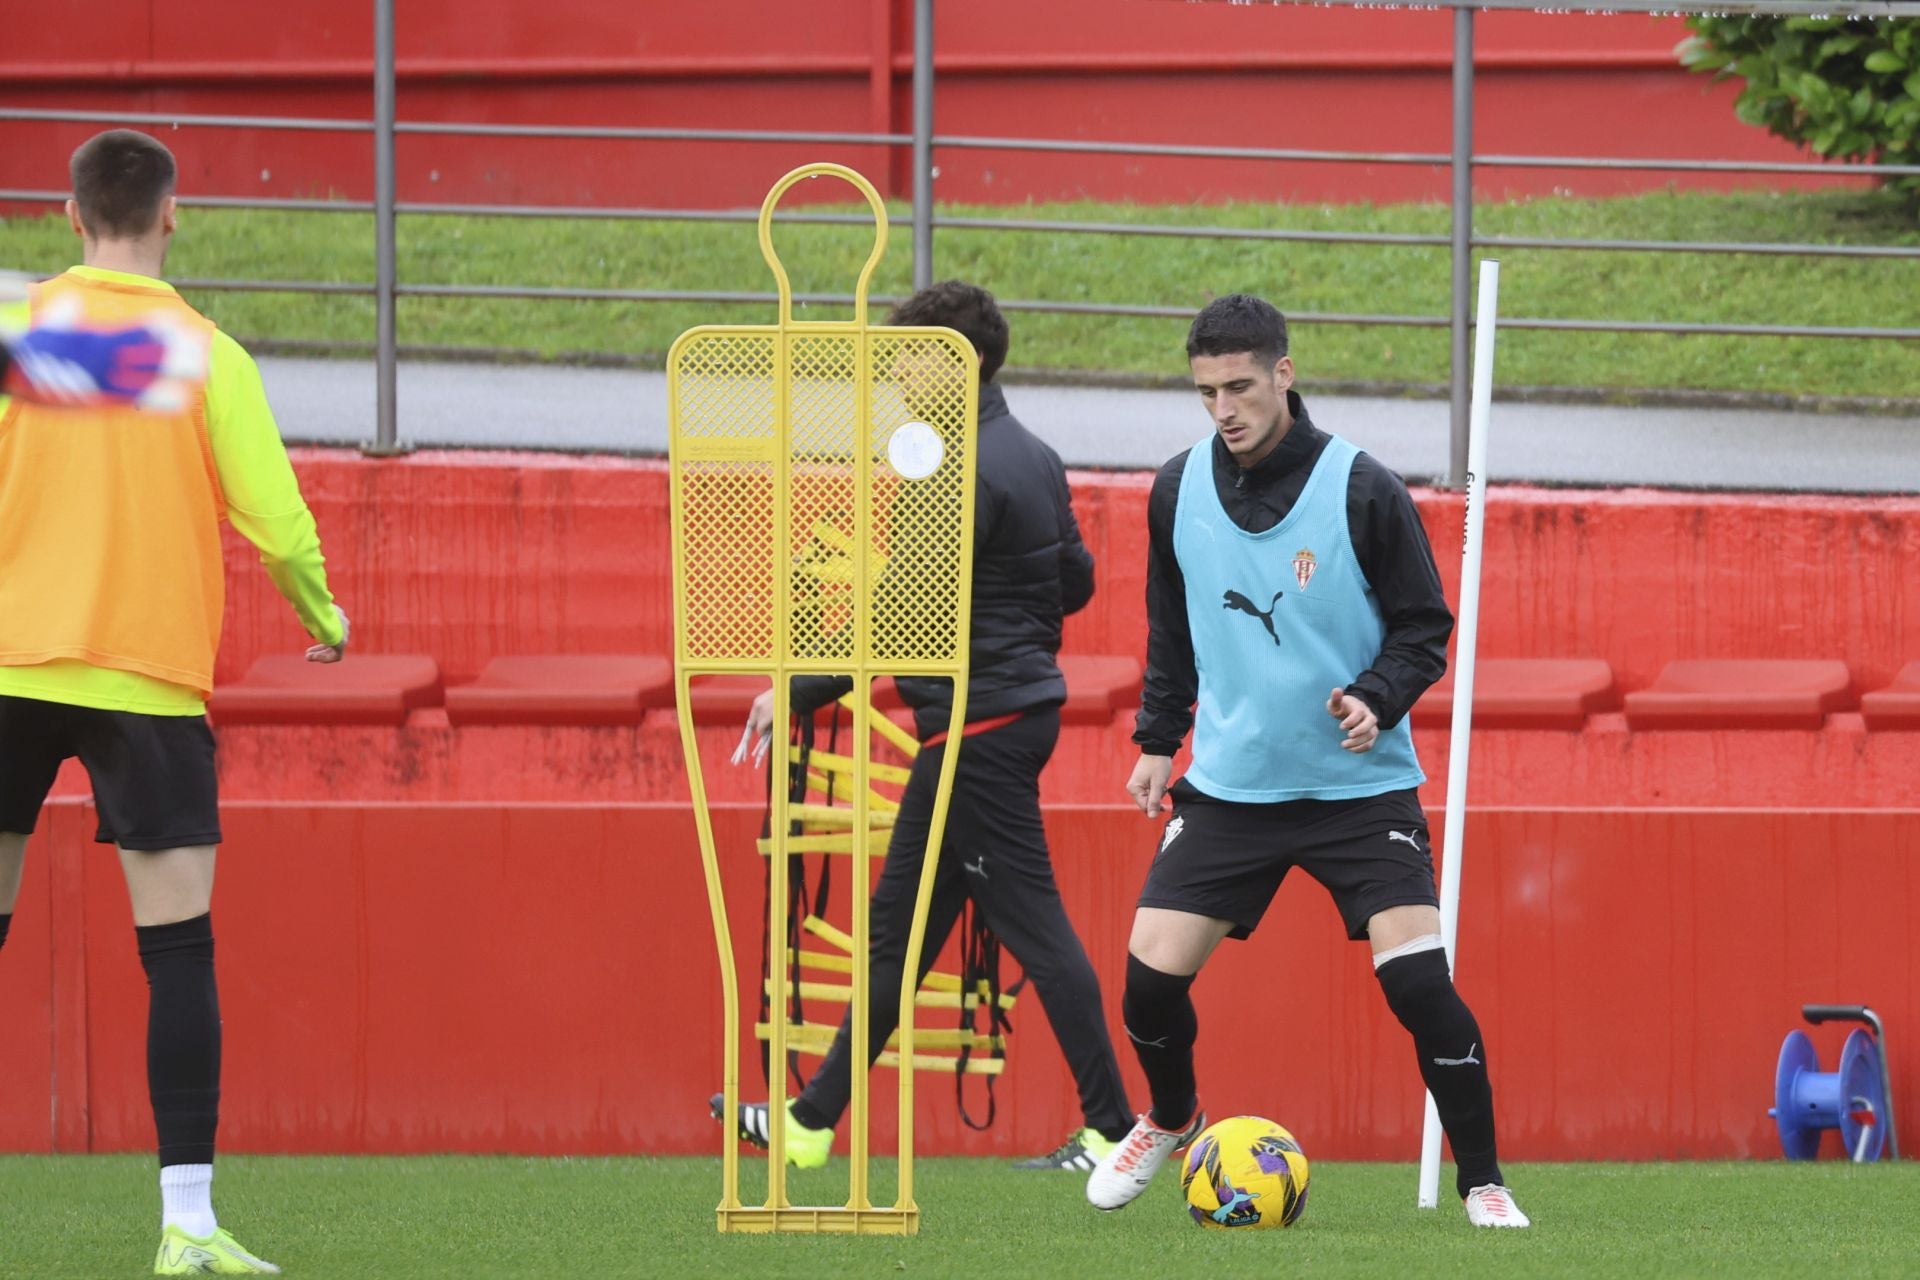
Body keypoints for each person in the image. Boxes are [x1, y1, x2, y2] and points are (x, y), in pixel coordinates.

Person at [1084, 294, 1528, 1228]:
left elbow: (1423, 628)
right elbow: (1174, 627)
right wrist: (1159, 740)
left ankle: (1484, 1183)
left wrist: (1375, 696)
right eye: (1206, 392)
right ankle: (1170, 1118)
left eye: (1240, 386)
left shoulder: (1362, 487)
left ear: (1285, 373)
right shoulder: (1176, 488)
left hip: (1359, 792)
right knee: (1147, 987)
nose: (1224, 409)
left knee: (1419, 987)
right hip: (1233, 788)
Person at [0, 129, 350, 1275]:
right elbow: (279, 519)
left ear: (67, 214)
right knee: (179, 952)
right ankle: (187, 1228)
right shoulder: (203, 353)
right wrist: (323, 618)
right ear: (172, 215)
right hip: (144, 682)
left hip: (6, 664)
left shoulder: (17, 336)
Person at [713, 280, 1134, 1171]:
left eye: (913, 354)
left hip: (977, 730)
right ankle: (810, 1122)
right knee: (895, 940)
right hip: (997, 719)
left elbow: (901, 608)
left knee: (1038, 931)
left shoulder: (945, 463)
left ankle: (1116, 1130)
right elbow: (1078, 582)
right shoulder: (1034, 452)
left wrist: (797, 689)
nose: (897, 369)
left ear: (964, 362)